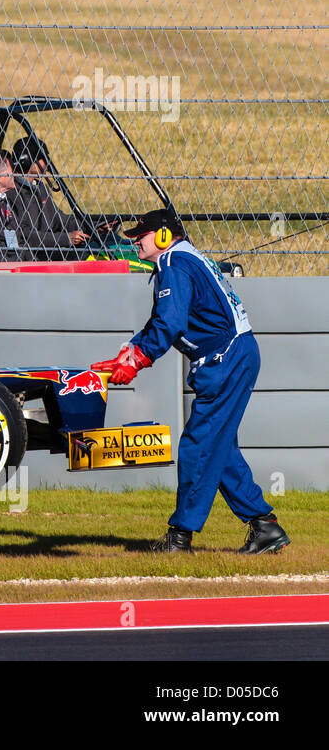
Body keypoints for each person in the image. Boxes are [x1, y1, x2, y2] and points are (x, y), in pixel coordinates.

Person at [91, 208, 289, 554]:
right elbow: (165, 320)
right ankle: (265, 527)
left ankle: (180, 536)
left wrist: (139, 359)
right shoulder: (183, 259)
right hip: (234, 355)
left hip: (225, 359)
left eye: (142, 234)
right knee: (219, 447)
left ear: (164, 236)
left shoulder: (173, 263)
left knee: (198, 446)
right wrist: (134, 348)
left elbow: (169, 322)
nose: (135, 240)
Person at [10, 135, 88, 259]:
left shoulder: (40, 188)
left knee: (106, 242)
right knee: (85, 255)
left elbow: (60, 220)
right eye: (44, 158)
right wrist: (65, 239)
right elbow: (24, 235)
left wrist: (92, 226)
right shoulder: (12, 193)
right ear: (28, 160)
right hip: (32, 256)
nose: (47, 163)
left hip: (49, 249)